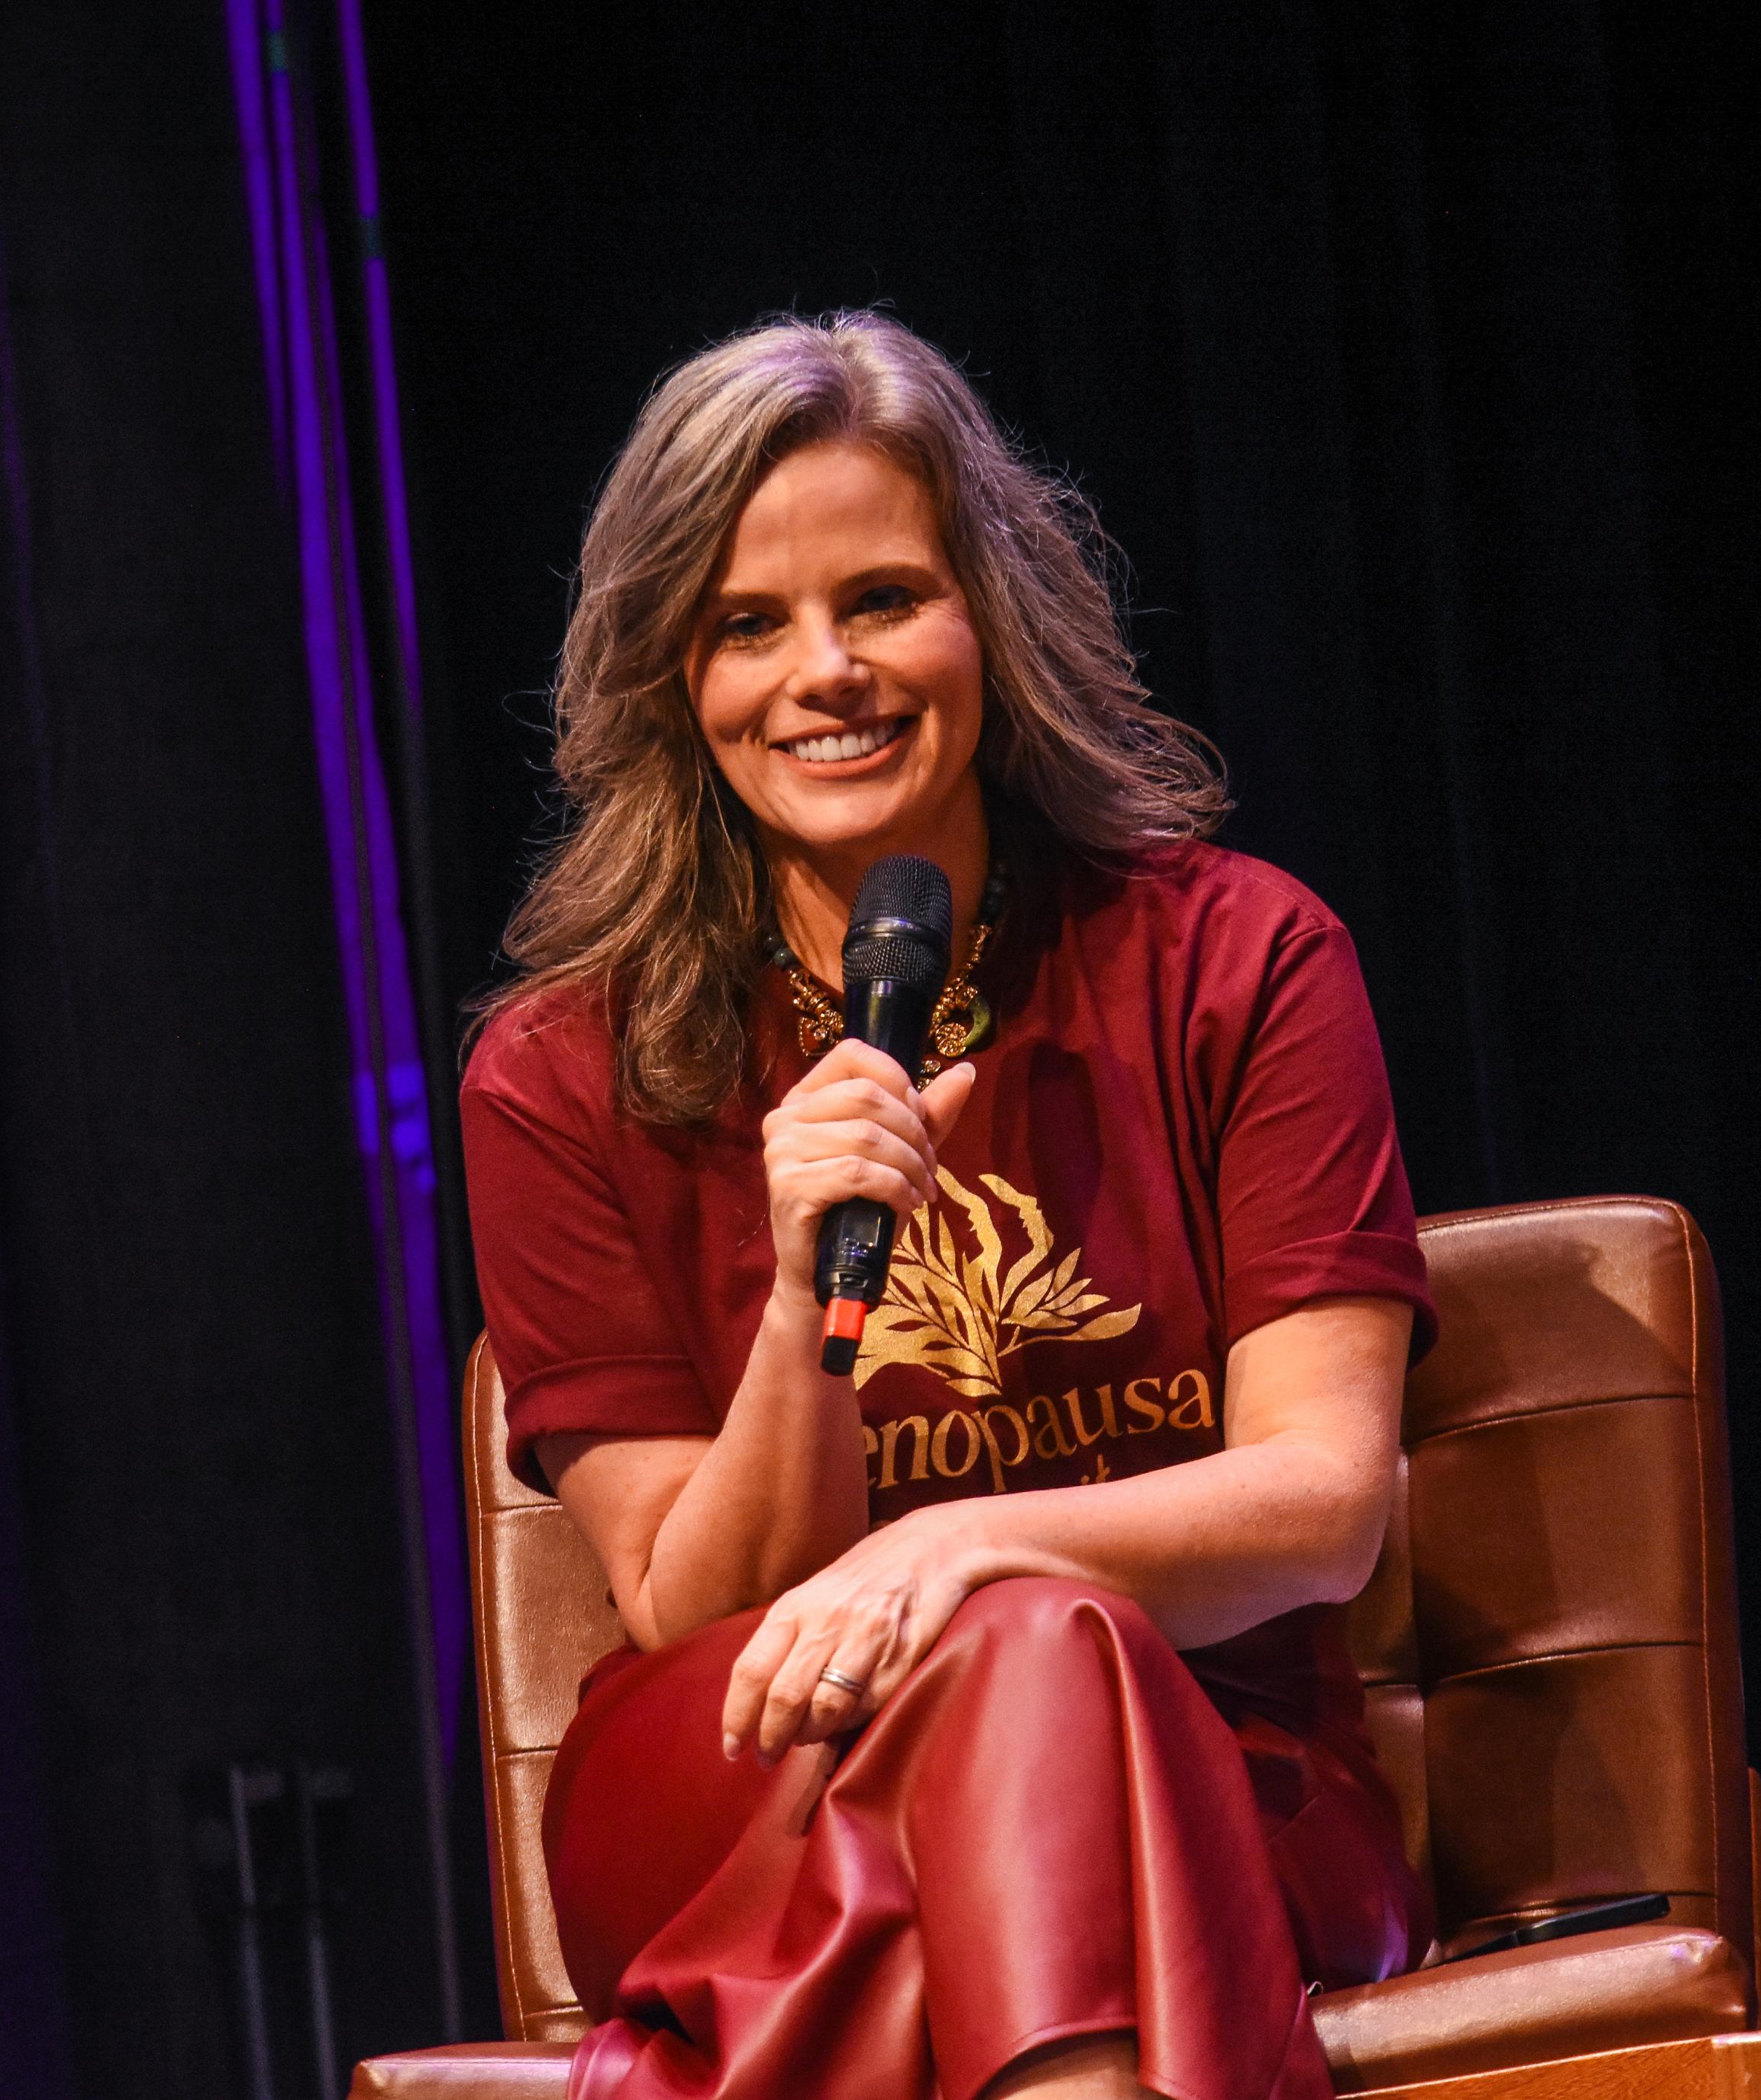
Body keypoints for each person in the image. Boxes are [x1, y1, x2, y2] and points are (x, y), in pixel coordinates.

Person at [460, 311, 1436, 2100]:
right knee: (1029, 1653)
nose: (821, 671)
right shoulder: (558, 1071)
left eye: (884, 598)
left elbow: (1319, 1508)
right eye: (746, 625)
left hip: (1205, 1752)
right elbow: (692, 1608)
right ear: (674, 678)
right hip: (745, 1768)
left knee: (1038, 1651)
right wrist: (793, 1304)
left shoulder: (1237, 960)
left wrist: (961, 1547)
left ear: (991, 615)